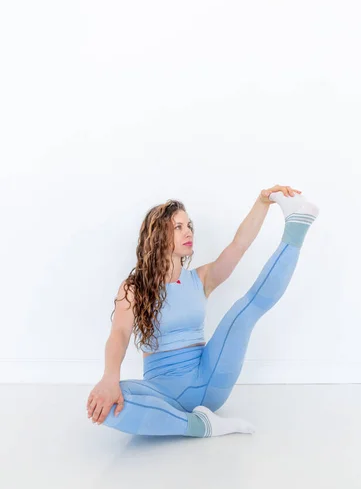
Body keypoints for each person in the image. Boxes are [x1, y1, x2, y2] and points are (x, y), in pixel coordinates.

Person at [86, 185, 319, 438]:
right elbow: (119, 333)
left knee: (243, 310)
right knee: (105, 405)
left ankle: (297, 227)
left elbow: (239, 244)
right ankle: (200, 426)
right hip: (161, 392)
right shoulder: (134, 288)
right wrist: (110, 378)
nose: (188, 232)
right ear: (157, 236)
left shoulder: (202, 278)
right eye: (178, 227)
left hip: (209, 377)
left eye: (189, 226)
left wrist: (262, 202)